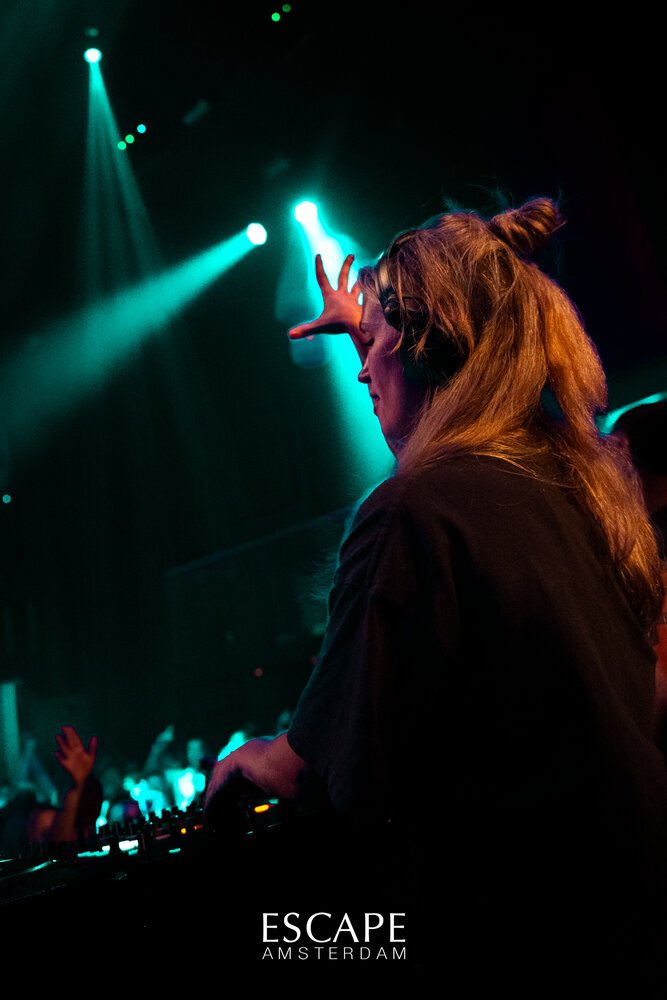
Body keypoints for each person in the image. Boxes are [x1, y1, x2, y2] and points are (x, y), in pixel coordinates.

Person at [204, 197, 667, 991]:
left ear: (425, 347)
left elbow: (324, 774)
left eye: (378, 340)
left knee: (261, 946)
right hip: (632, 908)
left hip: (518, 938)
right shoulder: (580, 492)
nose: (360, 369)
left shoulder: (411, 514)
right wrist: (377, 331)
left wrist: (245, 761)